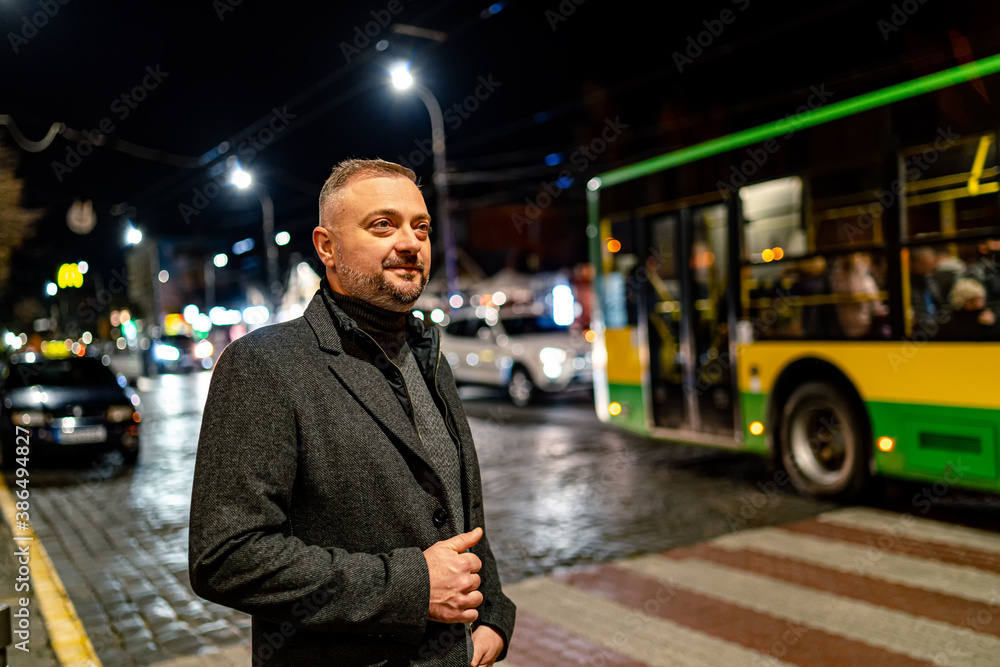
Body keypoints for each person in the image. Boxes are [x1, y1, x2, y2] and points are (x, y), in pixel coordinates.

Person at [188, 158, 515, 666]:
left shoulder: (428, 357)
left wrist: (492, 611)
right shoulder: (264, 365)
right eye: (382, 225)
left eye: (421, 227)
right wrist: (411, 586)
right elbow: (227, 558)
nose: (409, 242)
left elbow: (455, 508)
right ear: (326, 247)